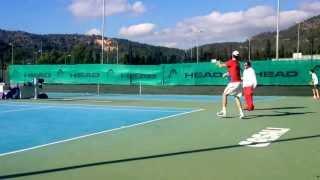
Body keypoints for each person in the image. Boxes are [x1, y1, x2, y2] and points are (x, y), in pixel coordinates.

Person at [216, 50, 245, 119]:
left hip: (234, 83)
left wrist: (217, 61)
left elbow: (220, 65)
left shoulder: (231, 62)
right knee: (236, 97)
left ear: (232, 55)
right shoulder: (238, 63)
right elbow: (232, 70)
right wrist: (226, 74)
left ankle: (224, 112)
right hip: (240, 83)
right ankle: (241, 113)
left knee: (224, 94)